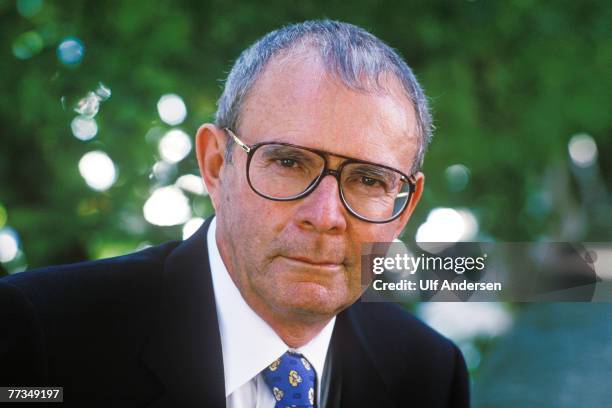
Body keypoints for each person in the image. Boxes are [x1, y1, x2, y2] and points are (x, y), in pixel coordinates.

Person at [0, 20, 469, 407]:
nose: (325, 215)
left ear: (404, 206)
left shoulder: (428, 374)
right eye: (288, 162)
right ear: (216, 164)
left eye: (369, 180)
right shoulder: (42, 338)